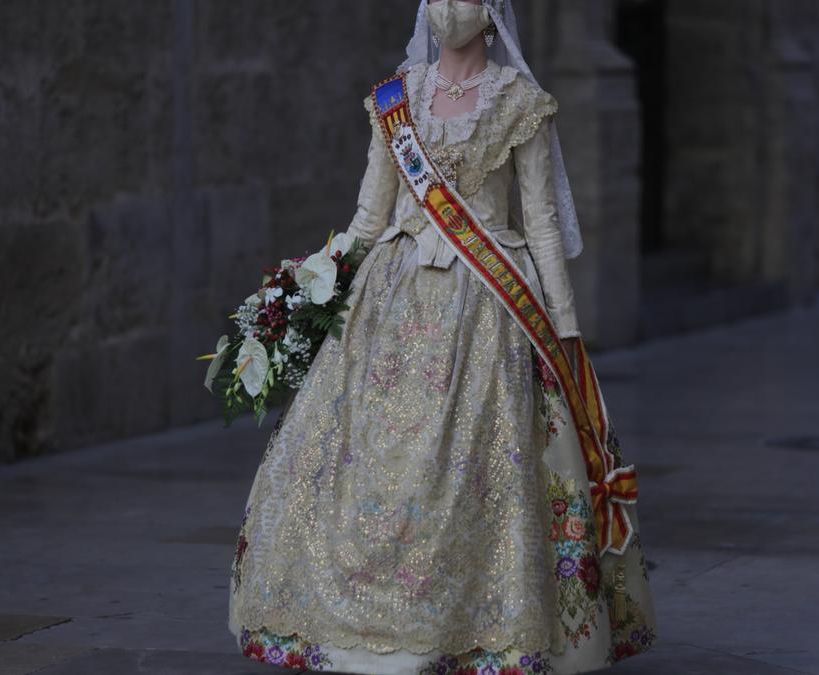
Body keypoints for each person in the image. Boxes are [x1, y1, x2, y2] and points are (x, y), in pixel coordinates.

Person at [227, 1, 656, 672]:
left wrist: (566, 330)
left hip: (488, 309)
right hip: (389, 303)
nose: (449, 6)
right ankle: (348, 623)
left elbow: (540, 222)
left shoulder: (522, 103)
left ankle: (472, 626)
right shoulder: (395, 100)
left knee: (474, 471)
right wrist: (308, 288)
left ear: (491, 12)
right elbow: (369, 218)